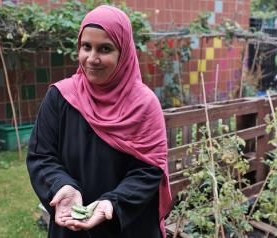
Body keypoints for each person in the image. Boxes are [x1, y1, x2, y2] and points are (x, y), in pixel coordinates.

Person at [26, 5, 172, 238]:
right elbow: (41, 155)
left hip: (127, 226)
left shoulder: (144, 104)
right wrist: (62, 186)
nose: (92, 58)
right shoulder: (60, 97)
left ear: (123, 53)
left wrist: (112, 203)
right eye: (86, 47)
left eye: (105, 49)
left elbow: (148, 170)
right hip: (71, 226)